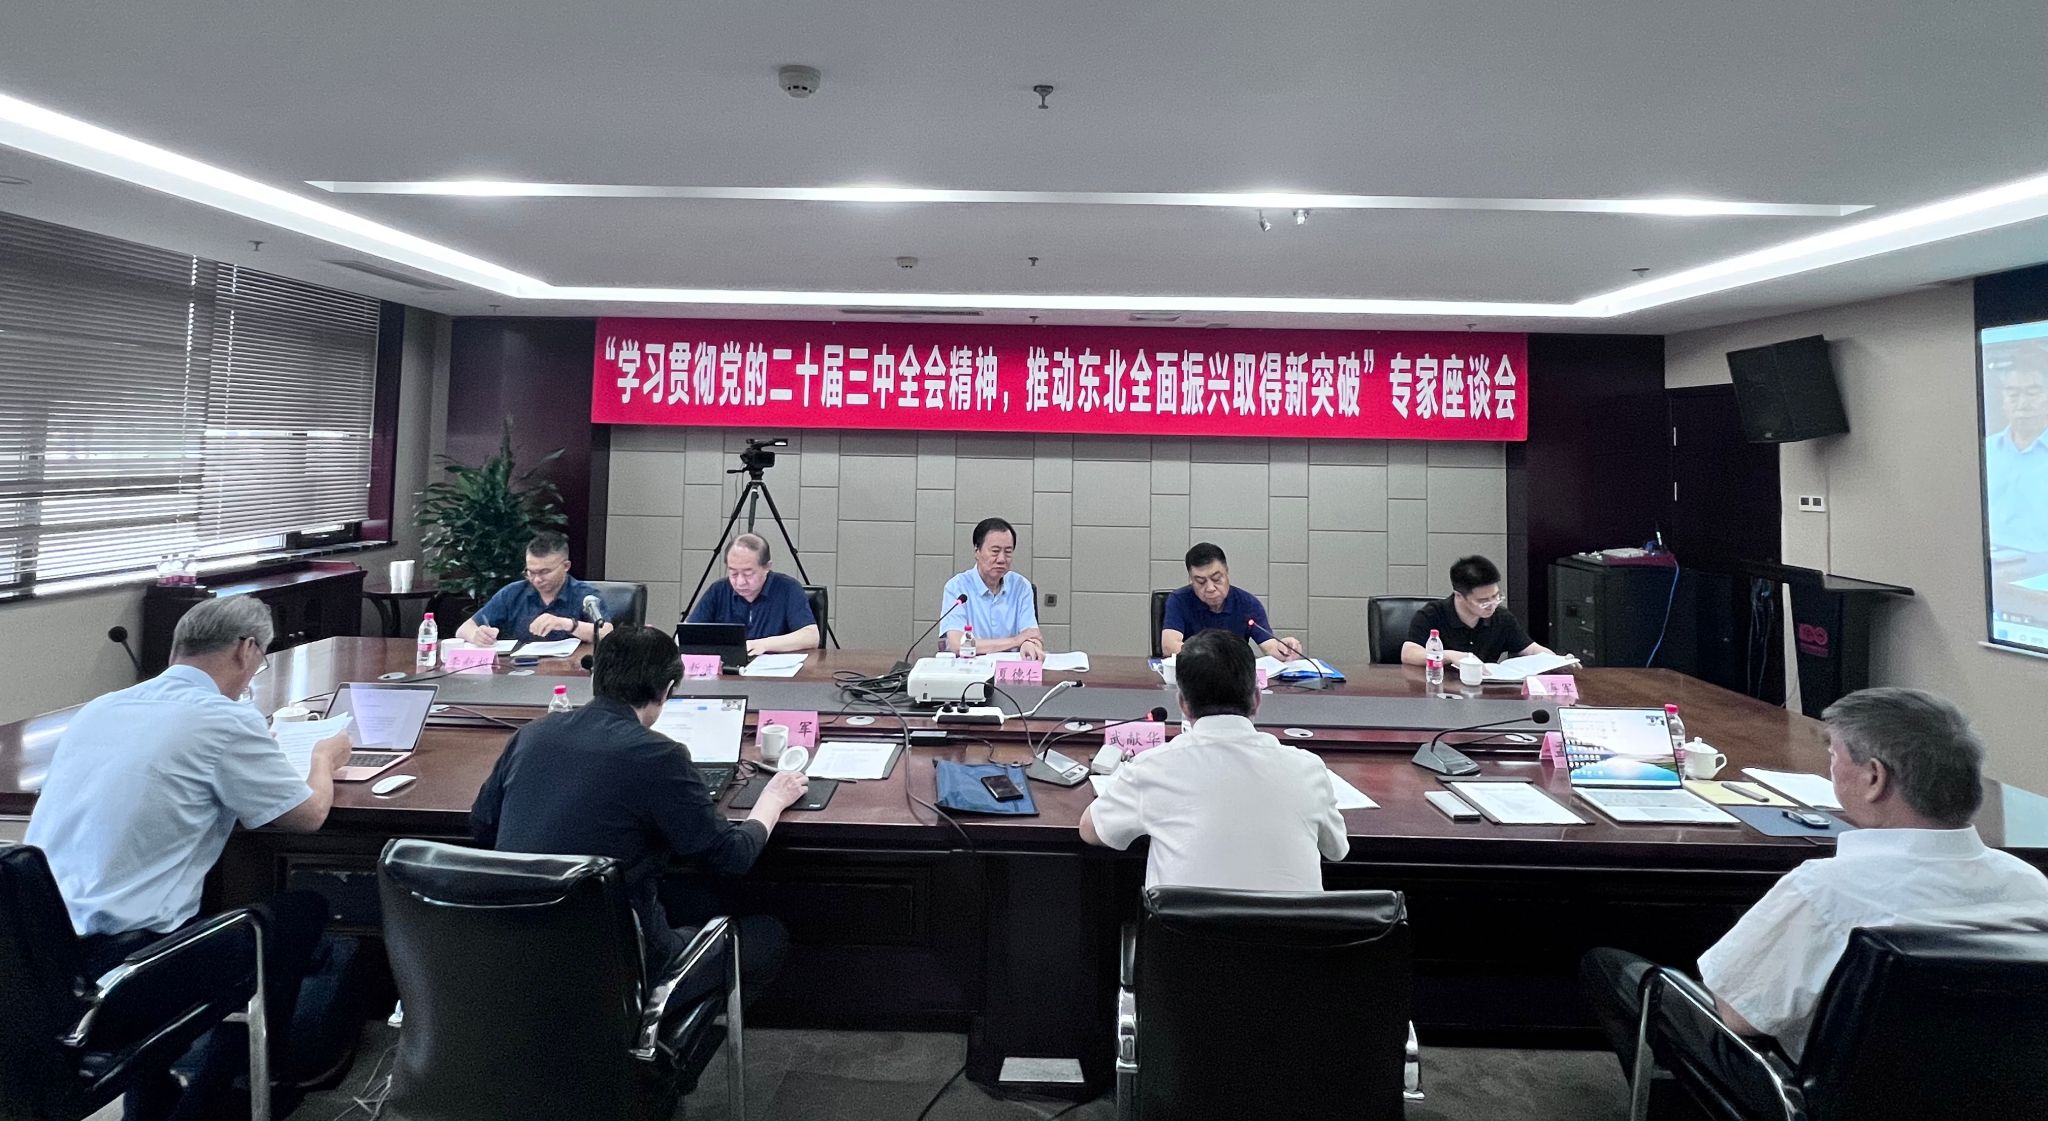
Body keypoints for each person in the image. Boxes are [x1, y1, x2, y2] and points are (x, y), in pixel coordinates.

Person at [1581, 688, 2048, 1082]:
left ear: (1874, 778)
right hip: (1988, 1092)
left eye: (1833, 757)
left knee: (1610, 967)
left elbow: (1737, 1015)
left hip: (1815, 1094)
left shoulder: (1826, 889)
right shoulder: (2032, 886)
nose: (1830, 770)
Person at [25, 596, 350, 1121]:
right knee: (300, 913)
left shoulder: (103, 708)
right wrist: (323, 758)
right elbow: (307, 815)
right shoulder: (224, 719)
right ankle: (216, 1099)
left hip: (41, 966)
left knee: (196, 905)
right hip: (121, 979)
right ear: (247, 650)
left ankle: (157, 1099)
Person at [471, 624, 809, 1004]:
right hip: (620, 969)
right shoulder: (660, 755)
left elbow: (483, 827)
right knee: (767, 936)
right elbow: (731, 857)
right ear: (667, 689)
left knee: (686, 896)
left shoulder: (530, 735)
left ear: (596, 677)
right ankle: (656, 1033)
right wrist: (771, 799)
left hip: (518, 953)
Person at [1081, 629, 1348, 888]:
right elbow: (1337, 850)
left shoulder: (1152, 769)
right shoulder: (1308, 769)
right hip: (1290, 922)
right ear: (1257, 699)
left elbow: (1091, 830)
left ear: (1183, 704)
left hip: (1183, 921)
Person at [455, 530, 612, 646]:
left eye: (544, 572)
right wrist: (477, 635)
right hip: (517, 671)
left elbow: (607, 633)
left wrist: (567, 624)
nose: (537, 579)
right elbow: (464, 629)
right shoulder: (513, 593)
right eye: (530, 572)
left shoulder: (585, 596)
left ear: (566, 566)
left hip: (569, 672)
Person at [1160, 541, 1305, 659]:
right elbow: (1169, 646)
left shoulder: (1247, 603)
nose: (1210, 588)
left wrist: (1284, 649)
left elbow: (1269, 646)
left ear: (1227, 572)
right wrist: (1215, 656)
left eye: (1217, 579)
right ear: (1191, 579)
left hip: (1234, 678)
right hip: (1192, 675)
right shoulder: (1179, 600)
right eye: (1200, 582)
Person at [1401, 554, 1554, 666]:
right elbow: (1409, 653)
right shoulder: (1432, 614)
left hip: (1485, 691)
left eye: (1496, 596)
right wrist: (1449, 656)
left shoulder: (1502, 617)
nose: (1492, 605)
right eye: (1483, 601)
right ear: (1459, 596)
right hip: (1440, 688)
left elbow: (1531, 649)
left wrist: (1558, 661)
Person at [684, 533, 820, 655]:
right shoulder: (718, 590)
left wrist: (762, 644)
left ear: (767, 567)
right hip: (728, 670)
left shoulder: (788, 588)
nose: (740, 582)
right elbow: (685, 635)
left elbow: (811, 637)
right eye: (733, 573)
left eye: (748, 574)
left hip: (775, 671)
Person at [942, 516, 1044, 658]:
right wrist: (1015, 641)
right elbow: (958, 644)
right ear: (977, 551)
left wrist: (1029, 644)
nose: (1001, 559)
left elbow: (1032, 636)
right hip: (970, 668)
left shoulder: (1021, 587)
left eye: (1008, 552)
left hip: (1010, 669)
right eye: (995, 551)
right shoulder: (957, 587)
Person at [1986, 351, 2048, 553]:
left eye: (2033, 393)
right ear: (2003, 402)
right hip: (1988, 560)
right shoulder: (1986, 450)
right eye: (2013, 395)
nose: (2023, 405)